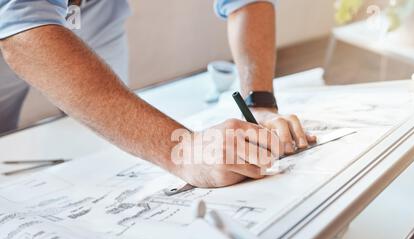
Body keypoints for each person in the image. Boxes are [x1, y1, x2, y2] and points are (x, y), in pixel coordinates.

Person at [0, 0, 316, 188]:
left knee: (103, 142)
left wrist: (257, 102)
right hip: (18, 26)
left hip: (96, 9)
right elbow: (23, 26)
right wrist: (182, 150)